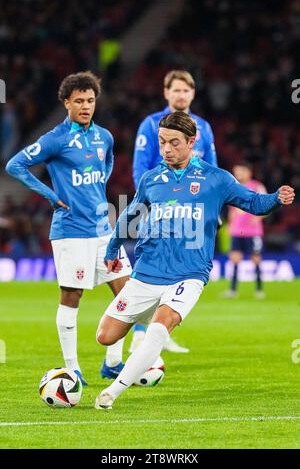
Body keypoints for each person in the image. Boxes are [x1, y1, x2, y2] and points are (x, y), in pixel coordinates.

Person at [94, 111, 294, 409]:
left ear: (191, 142)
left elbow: (253, 203)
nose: (166, 150)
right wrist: (112, 250)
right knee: (105, 336)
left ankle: (113, 392)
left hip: (189, 272)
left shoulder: (216, 179)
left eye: (174, 143)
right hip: (148, 271)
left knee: (160, 328)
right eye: (162, 142)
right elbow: (130, 215)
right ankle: (152, 326)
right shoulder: (152, 179)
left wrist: (277, 197)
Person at [5, 71, 132, 385]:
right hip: (71, 232)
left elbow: (108, 162)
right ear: (66, 103)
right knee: (72, 295)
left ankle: (113, 361)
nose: (86, 106)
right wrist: (51, 194)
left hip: (104, 231)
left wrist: (100, 191)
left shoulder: (104, 137)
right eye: (79, 101)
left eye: (90, 100)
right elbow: (14, 165)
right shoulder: (55, 139)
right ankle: (72, 368)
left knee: (128, 291)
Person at [131, 69, 218, 353]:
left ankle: (160, 332)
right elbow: (140, 167)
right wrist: (146, 204)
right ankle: (139, 335)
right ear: (166, 93)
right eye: (175, 90)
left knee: (181, 274)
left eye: (186, 90)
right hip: (160, 209)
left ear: (193, 94)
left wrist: (213, 208)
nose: (181, 95)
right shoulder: (151, 124)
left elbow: (212, 171)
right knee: (151, 272)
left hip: (191, 214)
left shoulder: (203, 127)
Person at [224, 162, 267, 299]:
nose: (238, 174)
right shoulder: (234, 186)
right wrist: (230, 225)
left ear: (249, 172)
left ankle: (259, 289)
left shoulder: (257, 186)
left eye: (240, 171)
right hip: (237, 231)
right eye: (236, 171)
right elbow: (232, 209)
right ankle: (233, 290)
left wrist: (259, 218)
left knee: (255, 259)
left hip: (252, 231)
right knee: (235, 259)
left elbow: (268, 204)